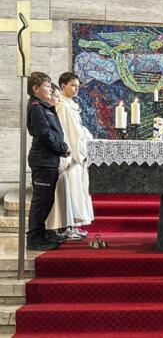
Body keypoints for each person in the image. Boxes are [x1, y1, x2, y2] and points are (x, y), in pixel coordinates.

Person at [26, 72, 71, 251]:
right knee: (41, 201)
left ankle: (42, 233)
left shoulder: (44, 106)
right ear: (35, 89)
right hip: (43, 160)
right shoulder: (37, 107)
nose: (51, 89)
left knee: (46, 200)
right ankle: (34, 239)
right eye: (47, 86)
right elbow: (44, 134)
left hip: (49, 159)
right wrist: (62, 148)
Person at [56, 73, 94, 238]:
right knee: (70, 192)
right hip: (71, 155)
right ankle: (67, 227)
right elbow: (70, 133)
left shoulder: (70, 105)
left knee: (77, 191)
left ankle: (74, 225)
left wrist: (86, 136)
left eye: (78, 86)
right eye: (72, 85)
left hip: (77, 155)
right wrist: (81, 147)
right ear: (63, 86)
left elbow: (79, 128)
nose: (76, 88)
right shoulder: (63, 106)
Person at [45, 85, 83, 241]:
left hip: (64, 154)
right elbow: (55, 135)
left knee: (67, 194)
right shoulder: (60, 108)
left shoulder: (56, 110)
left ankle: (66, 227)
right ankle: (58, 228)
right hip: (59, 157)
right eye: (56, 96)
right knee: (59, 196)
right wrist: (65, 150)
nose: (58, 99)